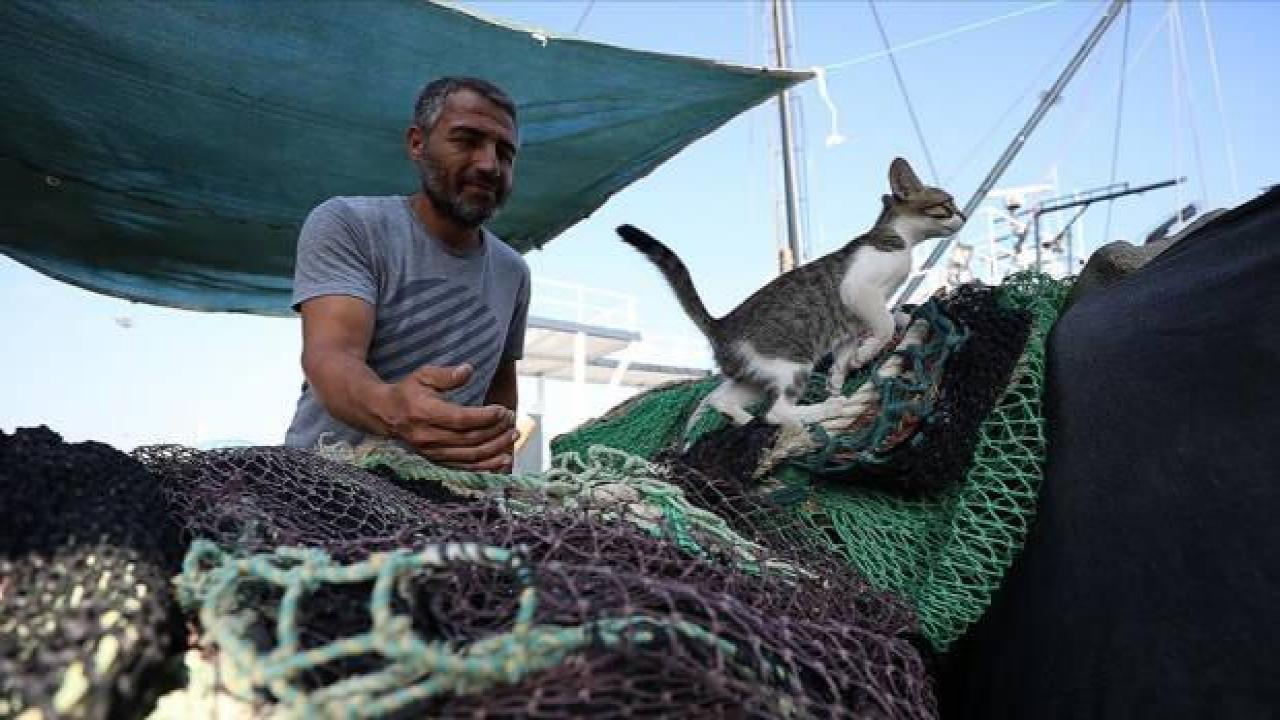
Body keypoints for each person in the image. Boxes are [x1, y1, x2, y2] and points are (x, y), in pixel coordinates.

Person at [283, 76, 530, 473]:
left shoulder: (513, 271)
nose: (489, 165)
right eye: (467, 140)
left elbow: (501, 386)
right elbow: (331, 355)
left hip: (446, 499)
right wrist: (393, 408)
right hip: (326, 479)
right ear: (417, 143)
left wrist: (498, 467)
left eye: (505, 153)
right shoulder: (349, 223)